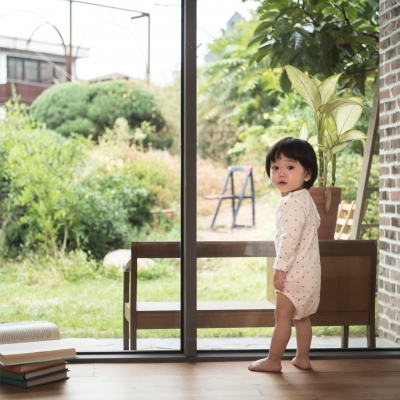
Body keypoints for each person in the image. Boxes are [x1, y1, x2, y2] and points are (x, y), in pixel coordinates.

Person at [248, 137, 321, 373]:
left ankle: (273, 360)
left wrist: (279, 269)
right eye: (275, 167)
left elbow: (289, 240)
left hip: (293, 274)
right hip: (310, 273)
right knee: (302, 317)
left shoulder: (290, 203)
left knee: (282, 318)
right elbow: (315, 225)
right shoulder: (306, 199)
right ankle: (302, 358)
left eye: (290, 167)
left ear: (307, 174)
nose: (281, 173)